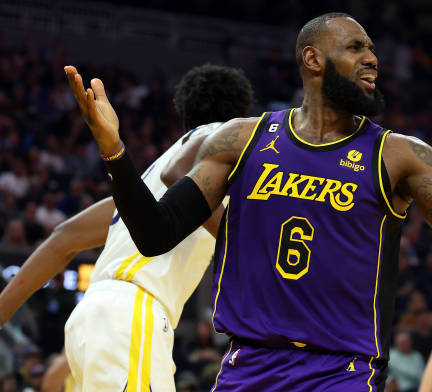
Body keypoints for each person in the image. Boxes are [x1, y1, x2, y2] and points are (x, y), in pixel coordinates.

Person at [66, 12, 432, 391]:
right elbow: (154, 234)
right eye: (356, 47)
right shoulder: (243, 140)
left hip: (341, 372)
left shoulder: (399, 155)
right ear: (313, 59)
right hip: (248, 367)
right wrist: (114, 151)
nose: (372, 58)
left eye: (372, 49)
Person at [0, 64, 253, 391]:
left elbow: (64, 238)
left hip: (90, 318)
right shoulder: (221, 140)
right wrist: (247, 247)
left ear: (183, 117)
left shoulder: (147, 178)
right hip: (131, 314)